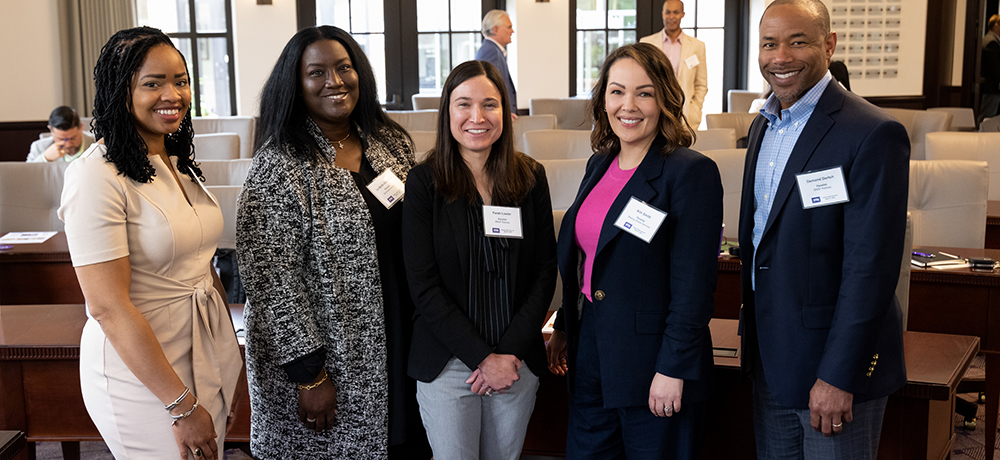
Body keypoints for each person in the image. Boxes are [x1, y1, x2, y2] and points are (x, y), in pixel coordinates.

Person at [236, 26, 430, 460]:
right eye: (316, 72)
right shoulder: (279, 166)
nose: (335, 81)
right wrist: (309, 375)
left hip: (398, 334)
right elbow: (272, 282)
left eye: (344, 67)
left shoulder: (390, 143)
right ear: (295, 84)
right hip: (329, 359)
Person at [58, 26, 242, 459]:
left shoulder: (175, 163)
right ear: (121, 91)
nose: (173, 94)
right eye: (153, 83)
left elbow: (203, 265)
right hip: (140, 373)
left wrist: (225, 357)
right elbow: (107, 306)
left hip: (201, 347)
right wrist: (180, 405)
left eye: (180, 80)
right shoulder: (96, 175)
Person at [738, 1, 909, 458]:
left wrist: (838, 375)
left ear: (829, 45)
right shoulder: (763, 126)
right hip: (771, 360)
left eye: (798, 41)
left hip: (832, 370)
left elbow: (869, 269)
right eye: (769, 43)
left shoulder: (872, 133)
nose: (780, 56)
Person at [545, 42, 723, 459]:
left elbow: (694, 286)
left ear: (664, 98)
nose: (629, 105)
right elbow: (592, 259)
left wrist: (672, 369)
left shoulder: (689, 172)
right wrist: (567, 326)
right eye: (617, 91)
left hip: (654, 366)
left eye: (644, 92)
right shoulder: (599, 163)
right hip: (592, 355)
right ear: (603, 98)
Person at [402, 59, 556, 460]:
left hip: (515, 362)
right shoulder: (423, 183)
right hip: (449, 364)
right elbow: (423, 284)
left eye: (489, 104)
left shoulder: (530, 177)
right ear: (447, 113)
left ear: (505, 111)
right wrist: (482, 358)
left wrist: (506, 356)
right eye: (463, 104)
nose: (477, 116)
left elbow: (543, 271)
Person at [640, 0, 708, 129]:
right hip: (654, 108)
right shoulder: (646, 43)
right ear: (662, 14)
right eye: (668, 12)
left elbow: (701, 84)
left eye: (676, 12)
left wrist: (696, 108)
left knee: (681, 148)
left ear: (682, 14)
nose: (671, 17)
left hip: (686, 113)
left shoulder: (697, 46)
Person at [475, 10, 518, 117]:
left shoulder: (493, 50)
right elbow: (491, 87)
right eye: (509, 27)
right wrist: (505, 112)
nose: (512, 31)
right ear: (495, 29)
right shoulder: (491, 52)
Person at [26, 106, 95, 162]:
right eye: (61, 139)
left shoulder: (97, 143)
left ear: (81, 128)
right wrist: (45, 158)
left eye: (72, 138)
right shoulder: (39, 147)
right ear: (51, 131)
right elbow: (27, 174)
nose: (68, 144)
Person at [981, 14, 1000, 123]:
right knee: (987, 117)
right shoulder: (991, 42)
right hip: (992, 87)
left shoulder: (990, 39)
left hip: (992, 87)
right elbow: (995, 67)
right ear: (996, 25)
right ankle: (982, 137)